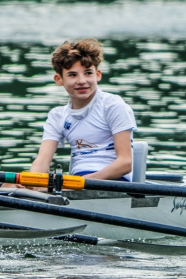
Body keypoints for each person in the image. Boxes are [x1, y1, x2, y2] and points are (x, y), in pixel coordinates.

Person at [26, 38, 137, 181]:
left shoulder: (113, 106)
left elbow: (125, 163)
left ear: (98, 75)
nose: (82, 81)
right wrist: (32, 181)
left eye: (88, 73)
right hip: (78, 183)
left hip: (114, 183)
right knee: (9, 187)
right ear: (59, 79)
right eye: (73, 75)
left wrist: (84, 183)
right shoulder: (57, 116)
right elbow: (41, 162)